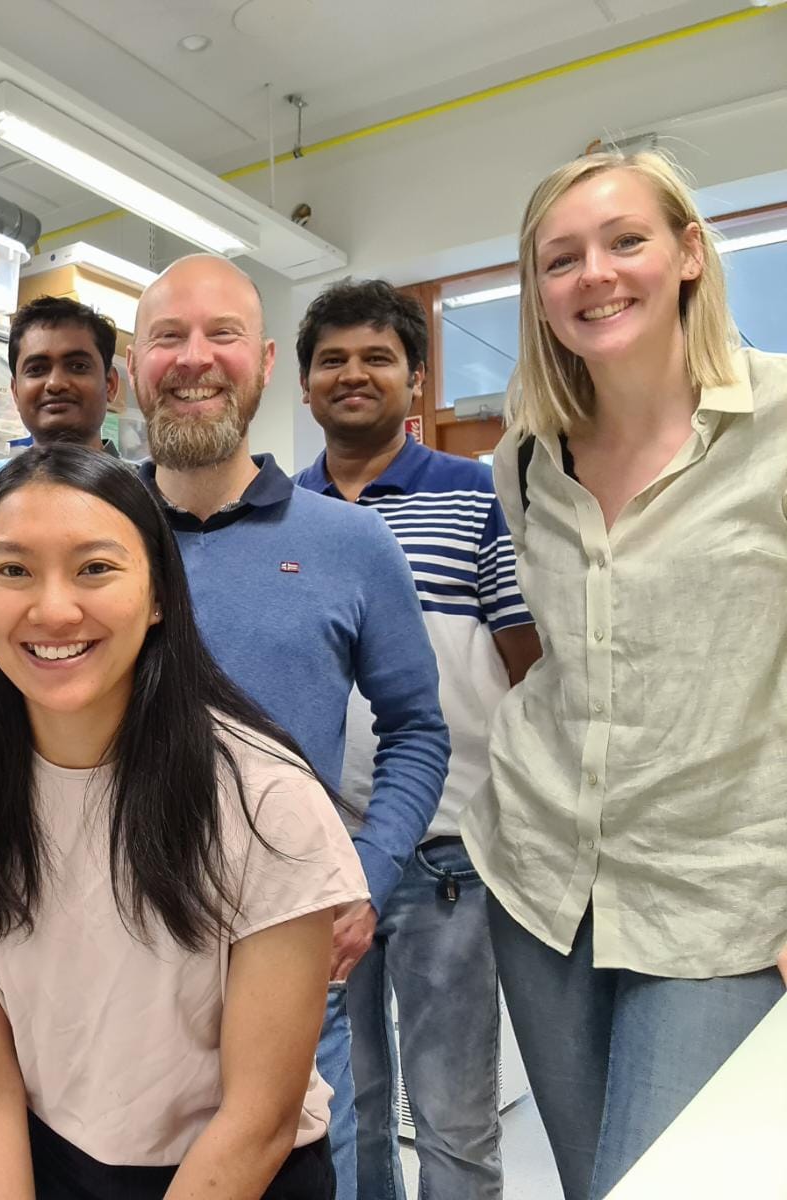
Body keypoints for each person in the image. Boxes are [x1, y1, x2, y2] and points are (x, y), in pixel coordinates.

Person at [0, 445, 369, 1199]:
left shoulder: (265, 799)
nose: (53, 609)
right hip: (48, 1163)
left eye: (95, 568)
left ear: (159, 594)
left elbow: (259, 1117)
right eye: (12, 570)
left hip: (238, 1173)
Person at [465, 150, 787, 1200]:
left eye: (625, 240)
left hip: (719, 896)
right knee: (585, 1184)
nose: (593, 275)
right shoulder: (524, 457)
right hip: (538, 878)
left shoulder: (778, 426)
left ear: (688, 252)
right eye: (560, 259)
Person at [128, 254, 451, 1200]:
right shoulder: (88, 529)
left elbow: (418, 729)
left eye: (221, 334)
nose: (195, 360)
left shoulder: (349, 543)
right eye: (167, 337)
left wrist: (363, 873)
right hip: (106, 964)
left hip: (285, 968)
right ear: (130, 368)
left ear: (267, 363)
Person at [293, 279, 542, 1200]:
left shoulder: (479, 497)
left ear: (415, 377)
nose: (353, 374)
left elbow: (530, 671)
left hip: (446, 861)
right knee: (342, 1108)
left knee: (453, 1120)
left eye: (377, 358)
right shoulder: (283, 509)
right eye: (333, 360)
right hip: (315, 861)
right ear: (307, 382)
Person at [0, 295, 121, 504]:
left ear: (110, 384)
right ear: (16, 391)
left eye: (78, 366)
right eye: (37, 369)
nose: (55, 383)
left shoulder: (149, 498)